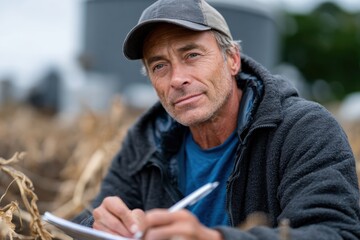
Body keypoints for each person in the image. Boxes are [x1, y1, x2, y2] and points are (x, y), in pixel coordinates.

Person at [73, 0, 360, 239]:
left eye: (193, 55)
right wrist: (97, 226)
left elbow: (336, 232)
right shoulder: (146, 139)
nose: (177, 79)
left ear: (232, 59)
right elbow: (90, 218)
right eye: (160, 66)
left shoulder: (304, 130)